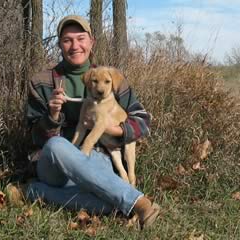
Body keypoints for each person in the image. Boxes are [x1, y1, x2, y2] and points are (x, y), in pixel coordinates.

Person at [24, 15, 160, 229]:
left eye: (81, 38)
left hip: (96, 164)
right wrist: (52, 116)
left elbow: (142, 120)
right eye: (67, 40)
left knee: (109, 203)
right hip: (55, 164)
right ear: (59, 44)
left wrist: (112, 129)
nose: (75, 46)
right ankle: (139, 203)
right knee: (58, 145)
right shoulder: (41, 81)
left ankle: (36, 192)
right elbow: (34, 136)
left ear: (91, 41)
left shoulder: (110, 77)